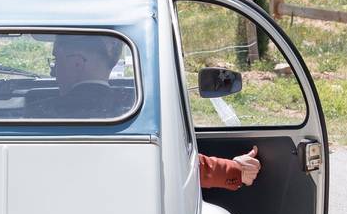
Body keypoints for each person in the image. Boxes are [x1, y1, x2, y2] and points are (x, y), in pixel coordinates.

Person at [42, 34, 261, 190]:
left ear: (77, 63)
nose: (54, 73)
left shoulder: (44, 112)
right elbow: (174, 164)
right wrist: (234, 169)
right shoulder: (136, 108)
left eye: (56, 62)